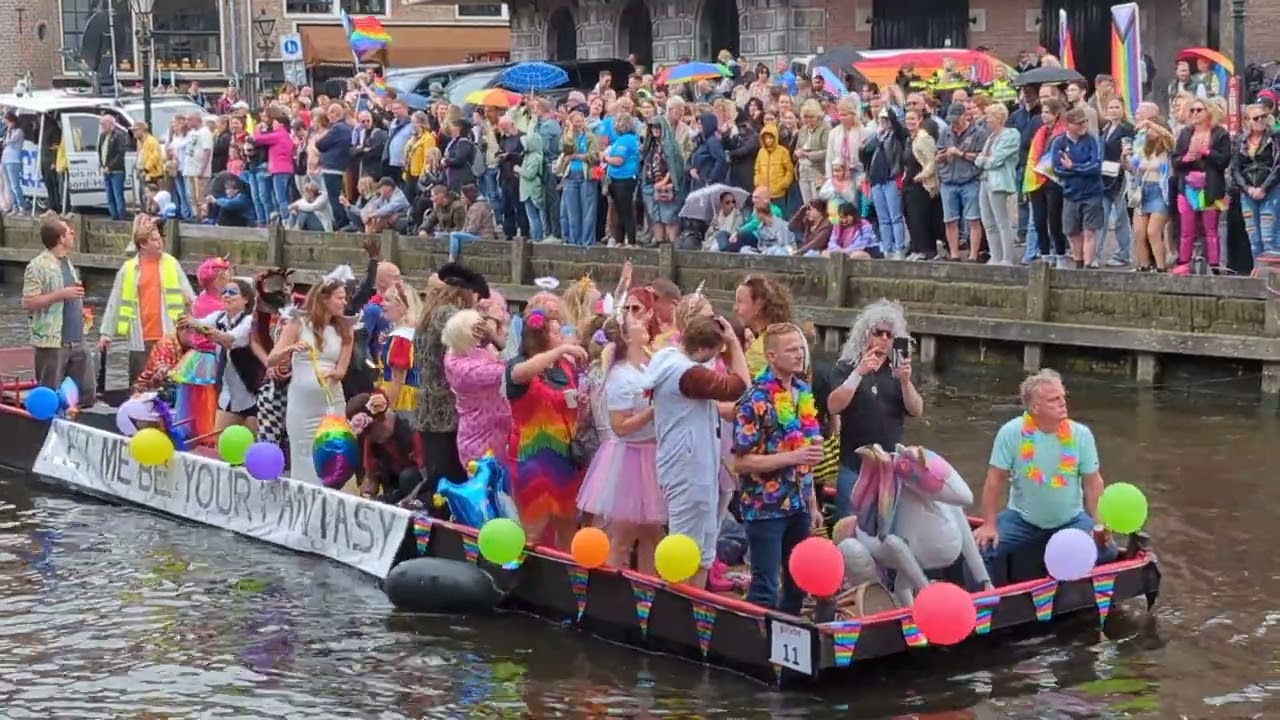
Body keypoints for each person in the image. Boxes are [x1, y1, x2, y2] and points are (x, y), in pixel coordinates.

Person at [974, 369, 1117, 581]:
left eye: (1062, 397)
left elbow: (1093, 482)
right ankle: (994, 598)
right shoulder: (1011, 432)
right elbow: (994, 480)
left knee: (1108, 551)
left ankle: (1071, 594)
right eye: (1054, 399)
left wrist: (1099, 524)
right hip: (1022, 519)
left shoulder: (1081, 435)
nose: (1063, 403)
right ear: (1035, 408)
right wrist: (988, 525)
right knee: (982, 550)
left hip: (1070, 520)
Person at [642, 315, 750, 589]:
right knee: (684, 549)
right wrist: (734, 344)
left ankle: (695, 605)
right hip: (688, 468)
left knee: (703, 552)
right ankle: (674, 608)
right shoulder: (687, 373)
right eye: (715, 351)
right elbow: (740, 387)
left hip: (695, 465)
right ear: (702, 350)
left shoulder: (668, 358)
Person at [731, 323, 824, 613]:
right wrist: (793, 457)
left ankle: (786, 634)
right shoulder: (754, 400)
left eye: (800, 348)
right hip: (765, 508)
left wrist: (813, 504)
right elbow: (740, 462)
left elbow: (807, 457)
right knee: (766, 588)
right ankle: (752, 636)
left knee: (797, 584)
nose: (799, 354)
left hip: (798, 505)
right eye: (791, 349)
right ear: (772, 356)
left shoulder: (802, 391)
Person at [577, 312, 666, 572]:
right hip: (631, 459)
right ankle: (608, 588)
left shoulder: (645, 367)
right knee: (623, 536)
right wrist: (653, 410)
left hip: (651, 454)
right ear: (626, 337)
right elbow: (620, 426)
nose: (642, 323)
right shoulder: (620, 375)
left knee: (652, 534)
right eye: (634, 323)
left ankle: (646, 587)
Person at [826, 300, 925, 521]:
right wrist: (858, 373)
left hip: (889, 467)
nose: (883, 338)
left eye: (889, 335)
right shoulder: (846, 367)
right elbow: (833, 406)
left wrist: (905, 382)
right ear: (864, 334)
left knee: (885, 526)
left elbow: (917, 410)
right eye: (878, 332)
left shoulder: (897, 372)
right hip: (854, 465)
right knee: (849, 523)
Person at [505, 308, 588, 549]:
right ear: (541, 337)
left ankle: (568, 572)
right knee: (532, 530)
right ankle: (519, 570)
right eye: (556, 332)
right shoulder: (519, 364)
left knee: (568, 527)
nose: (562, 336)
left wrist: (580, 403)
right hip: (533, 459)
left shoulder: (565, 368)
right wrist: (560, 350)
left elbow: (569, 407)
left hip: (565, 458)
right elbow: (521, 374)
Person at [267, 277, 352, 485]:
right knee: (303, 453)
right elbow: (271, 359)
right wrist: (290, 349)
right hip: (302, 405)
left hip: (331, 402)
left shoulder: (345, 328)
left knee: (332, 454)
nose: (344, 302)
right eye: (339, 298)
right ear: (324, 299)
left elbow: (342, 369)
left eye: (345, 298)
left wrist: (334, 374)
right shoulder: (298, 324)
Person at [100, 216, 196, 387]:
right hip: (139, 339)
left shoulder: (171, 263)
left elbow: (190, 296)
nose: (160, 243)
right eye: (154, 240)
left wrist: (199, 323)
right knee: (140, 384)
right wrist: (106, 334)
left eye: (159, 239)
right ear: (143, 244)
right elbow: (115, 302)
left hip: (169, 335)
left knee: (169, 385)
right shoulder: (128, 269)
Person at [21, 217, 94, 403]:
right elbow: (28, 302)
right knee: (49, 395)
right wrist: (62, 294)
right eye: (69, 231)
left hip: (77, 340)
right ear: (61, 238)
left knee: (86, 395)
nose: (73, 233)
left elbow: (69, 296)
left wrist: (79, 310)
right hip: (52, 343)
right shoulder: (37, 266)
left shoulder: (67, 262)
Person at [185, 277, 263, 433]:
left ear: (246, 299)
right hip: (228, 393)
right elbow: (199, 324)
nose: (226, 296)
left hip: (253, 391)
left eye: (232, 292)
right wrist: (188, 319)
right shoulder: (219, 317)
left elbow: (230, 339)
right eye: (224, 292)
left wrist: (207, 332)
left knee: (252, 443)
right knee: (220, 441)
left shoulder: (249, 320)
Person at [443, 308, 510, 468]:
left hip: (498, 434)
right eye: (479, 328)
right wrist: (494, 337)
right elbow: (514, 369)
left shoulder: (461, 351)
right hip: (480, 443)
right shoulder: (466, 369)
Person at [1172, 97, 1231, 271]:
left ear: (1209, 111)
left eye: (1199, 110)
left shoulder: (1220, 133)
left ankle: (1214, 265)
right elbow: (1174, 159)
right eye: (1192, 110)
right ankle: (1184, 264)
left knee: (1210, 230)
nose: (1195, 113)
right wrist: (1185, 159)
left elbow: (1224, 160)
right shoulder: (1185, 133)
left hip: (1210, 187)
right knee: (1186, 230)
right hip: (1187, 187)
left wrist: (1206, 151)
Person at [1051, 107, 1106, 268]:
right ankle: (1079, 264)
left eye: (1085, 122)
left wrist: (1073, 167)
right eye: (1079, 123)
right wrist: (1081, 168)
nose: (1083, 126)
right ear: (1068, 125)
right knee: (1072, 232)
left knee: (1090, 231)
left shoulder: (1092, 140)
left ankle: (1088, 266)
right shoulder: (1059, 142)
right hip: (1070, 194)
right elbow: (1057, 169)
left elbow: (1095, 167)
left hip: (1092, 193)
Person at [348, 390, 425, 503]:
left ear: (380, 419)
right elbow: (371, 476)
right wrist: (366, 497)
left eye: (370, 431)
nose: (368, 436)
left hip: (421, 486)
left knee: (407, 477)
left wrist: (407, 501)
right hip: (395, 488)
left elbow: (427, 474)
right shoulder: (370, 440)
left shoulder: (411, 429)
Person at [98, 114, 128, 221]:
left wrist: (110, 167)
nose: (102, 126)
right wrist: (102, 165)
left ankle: (121, 218)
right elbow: (100, 151)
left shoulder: (119, 135)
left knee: (118, 195)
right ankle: (114, 216)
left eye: (103, 124)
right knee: (109, 196)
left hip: (117, 171)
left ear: (111, 124)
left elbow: (121, 153)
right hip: (106, 171)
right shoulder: (102, 136)